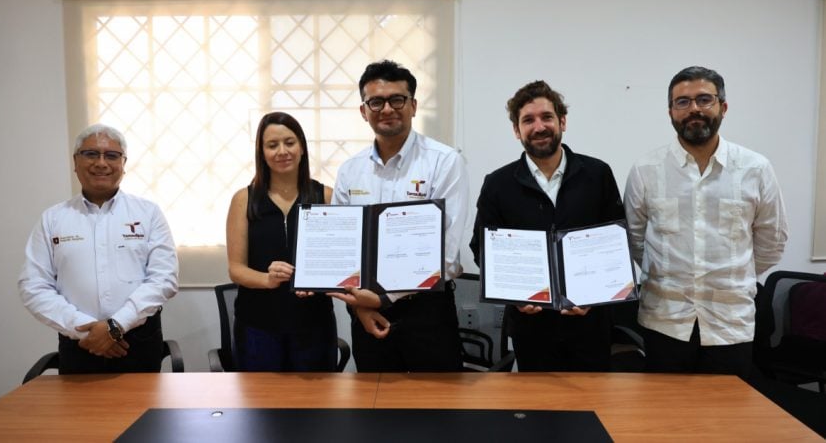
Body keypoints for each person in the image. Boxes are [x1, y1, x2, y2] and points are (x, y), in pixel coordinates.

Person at [624, 66, 788, 376]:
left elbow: (772, 242)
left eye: (704, 99)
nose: (694, 109)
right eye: (682, 102)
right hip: (665, 322)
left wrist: (732, 277)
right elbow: (634, 239)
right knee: (665, 405)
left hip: (730, 323)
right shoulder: (646, 170)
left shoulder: (755, 169)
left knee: (726, 407)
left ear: (723, 107)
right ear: (671, 112)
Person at [469, 80, 624, 372]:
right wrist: (514, 296)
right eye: (528, 120)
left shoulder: (597, 174)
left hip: (590, 325)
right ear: (517, 130)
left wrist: (595, 297)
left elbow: (615, 243)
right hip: (531, 329)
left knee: (593, 399)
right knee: (538, 401)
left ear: (562, 121)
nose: (539, 127)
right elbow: (482, 248)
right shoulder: (498, 184)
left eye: (547, 117)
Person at [330, 59, 469, 372]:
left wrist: (383, 299)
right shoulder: (350, 171)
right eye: (376, 102)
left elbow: (446, 253)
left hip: (427, 311)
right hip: (366, 311)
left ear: (413, 106)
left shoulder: (444, 162)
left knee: (437, 398)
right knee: (375, 398)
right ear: (363, 110)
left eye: (397, 100)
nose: (387, 109)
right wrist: (362, 309)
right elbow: (344, 250)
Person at [19, 124, 179, 374]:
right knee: (79, 402)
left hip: (138, 342)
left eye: (112, 155)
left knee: (142, 402)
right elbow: (33, 285)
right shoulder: (53, 219)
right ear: (76, 161)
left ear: (123, 164)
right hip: (79, 342)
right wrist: (86, 330)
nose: (101, 163)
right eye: (91, 154)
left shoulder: (148, 213)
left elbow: (164, 278)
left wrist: (116, 326)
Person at [225, 111, 337, 371]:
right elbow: (236, 269)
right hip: (258, 326)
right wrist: (268, 279)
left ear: (302, 148)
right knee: (261, 397)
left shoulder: (326, 196)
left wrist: (321, 282)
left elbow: (340, 262)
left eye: (289, 142)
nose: (282, 151)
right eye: (272, 145)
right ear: (261, 153)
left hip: (314, 323)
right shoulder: (244, 199)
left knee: (317, 397)